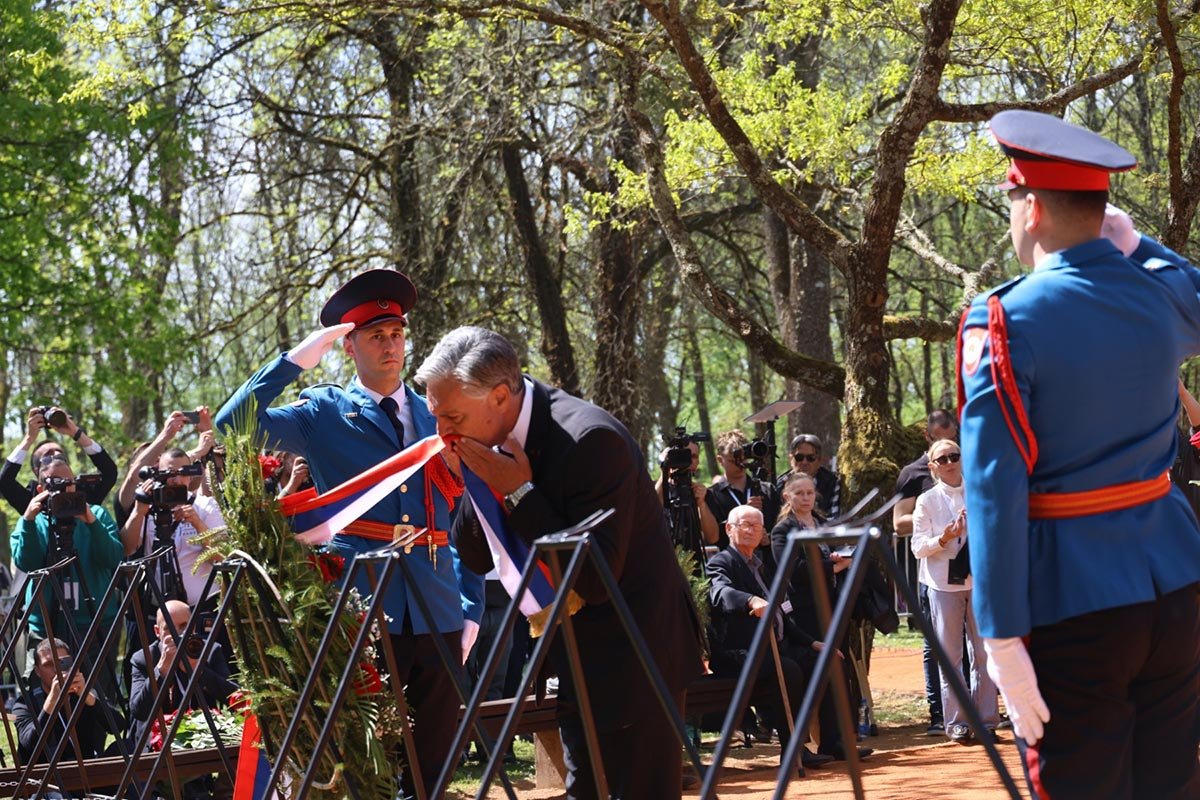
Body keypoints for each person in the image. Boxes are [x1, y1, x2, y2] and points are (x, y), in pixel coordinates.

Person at [959, 109, 1200, 798]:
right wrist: (1140, 243)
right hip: (1174, 583)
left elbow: (994, 486)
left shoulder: (1004, 318)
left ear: (1030, 208)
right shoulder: (1156, 294)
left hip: (1072, 597)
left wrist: (1001, 636)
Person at [214, 269, 484, 799]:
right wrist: (295, 359)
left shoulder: (439, 410)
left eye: (397, 334)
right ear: (349, 346)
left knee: (436, 741)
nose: (390, 346)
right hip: (360, 595)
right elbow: (232, 424)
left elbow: (468, 513)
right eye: (376, 336)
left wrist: (471, 602)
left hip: (437, 594)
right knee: (361, 745)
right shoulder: (324, 411)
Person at [417, 325, 704, 800]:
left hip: (637, 659)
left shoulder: (590, 440)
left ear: (500, 397)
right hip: (573, 660)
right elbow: (472, 552)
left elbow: (594, 578)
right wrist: (473, 481)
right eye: (435, 417)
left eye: (451, 417)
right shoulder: (486, 439)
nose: (442, 432)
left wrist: (519, 491)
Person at [708, 505, 868, 769]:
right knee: (790, 670)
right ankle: (793, 750)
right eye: (743, 525)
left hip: (777, 646)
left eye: (755, 526)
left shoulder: (763, 566)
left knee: (830, 660)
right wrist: (749, 600)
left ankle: (833, 741)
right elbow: (720, 592)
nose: (749, 530)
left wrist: (812, 642)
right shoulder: (721, 562)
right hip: (742, 653)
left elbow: (783, 612)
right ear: (729, 529)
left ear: (762, 534)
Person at [909, 439, 999, 743]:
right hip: (942, 584)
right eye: (942, 459)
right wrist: (945, 538)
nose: (949, 462)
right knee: (950, 655)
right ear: (932, 466)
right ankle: (958, 722)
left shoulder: (979, 491)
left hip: (980, 582)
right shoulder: (927, 501)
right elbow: (918, 548)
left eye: (954, 456)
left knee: (985, 653)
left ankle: (986, 719)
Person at [892, 408, 959, 736]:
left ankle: (975, 707)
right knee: (935, 642)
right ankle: (938, 712)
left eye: (953, 446)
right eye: (940, 444)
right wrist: (930, 511)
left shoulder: (966, 465)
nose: (948, 458)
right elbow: (898, 521)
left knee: (975, 639)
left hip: (970, 569)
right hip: (933, 570)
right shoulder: (913, 472)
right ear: (927, 437)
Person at [121, 446, 225, 607]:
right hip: (158, 612)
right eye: (169, 474)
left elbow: (221, 558)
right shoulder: (146, 508)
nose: (176, 480)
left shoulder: (206, 506)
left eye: (183, 473)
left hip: (203, 608)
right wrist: (138, 511)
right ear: (158, 476)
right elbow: (127, 548)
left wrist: (198, 524)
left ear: (190, 477)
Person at [129, 601, 236, 753]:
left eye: (185, 626)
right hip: (157, 746)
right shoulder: (143, 659)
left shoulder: (210, 651)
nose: (178, 634)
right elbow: (139, 711)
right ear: (157, 632)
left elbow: (235, 698)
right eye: (169, 628)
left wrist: (199, 671)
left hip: (202, 740)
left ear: (193, 626)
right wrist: (162, 670)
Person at [12, 637, 124, 764]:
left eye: (61, 663)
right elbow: (30, 743)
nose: (56, 670)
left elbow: (118, 726)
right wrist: (52, 701)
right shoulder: (24, 703)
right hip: (44, 776)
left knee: (126, 746)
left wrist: (86, 695)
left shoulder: (86, 694)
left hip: (86, 771)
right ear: (37, 671)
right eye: (48, 665)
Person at [0, 406, 117, 515]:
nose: (56, 456)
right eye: (48, 457)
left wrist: (76, 433)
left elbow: (109, 473)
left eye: (60, 456)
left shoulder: (82, 492)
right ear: (37, 471)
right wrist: (29, 438)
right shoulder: (34, 499)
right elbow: (5, 481)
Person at [705, 429, 781, 549]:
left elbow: (780, 528)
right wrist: (743, 514)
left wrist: (769, 538)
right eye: (733, 460)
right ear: (720, 460)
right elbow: (714, 537)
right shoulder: (712, 494)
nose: (740, 464)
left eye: (743, 459)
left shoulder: (767, 490)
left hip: (765, 562)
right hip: (732, 562)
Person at [774, 434, 840, 517]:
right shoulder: (779, 484)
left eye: (811, 457)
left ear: (819, 460)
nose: (804, 462)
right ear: (791, 459)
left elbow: (834, 517)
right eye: (799, 457)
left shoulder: (832, 483)